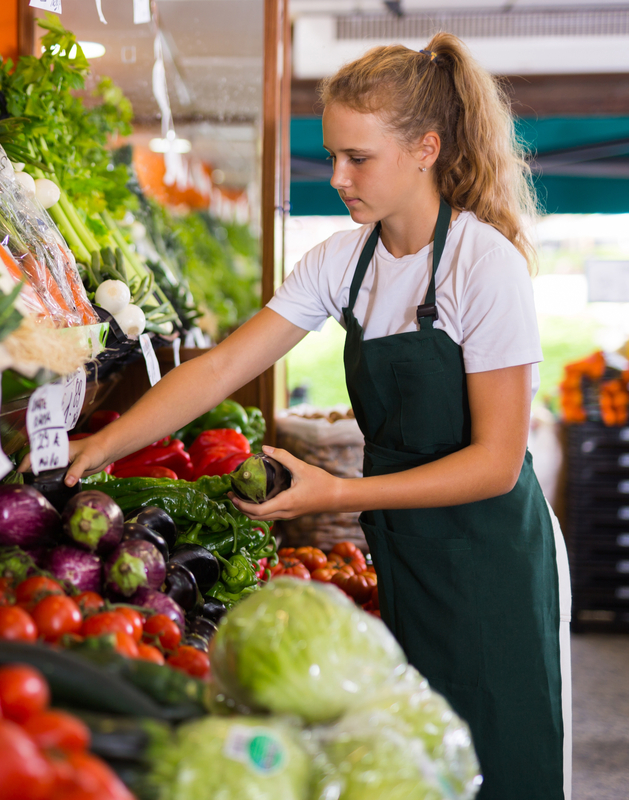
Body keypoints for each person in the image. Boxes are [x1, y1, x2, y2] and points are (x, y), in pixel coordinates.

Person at [61, 33, 571, 800]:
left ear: (426, 149)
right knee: (406, 762)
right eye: (331, 154)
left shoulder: (482, 263)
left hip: (490, 558)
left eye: (357, 158)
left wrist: (336, 494)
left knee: (499, 763)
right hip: (403, 550)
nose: (336, 177)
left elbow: (496, 464)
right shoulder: (344, 260)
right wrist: (104, 443)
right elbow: (225, 366)